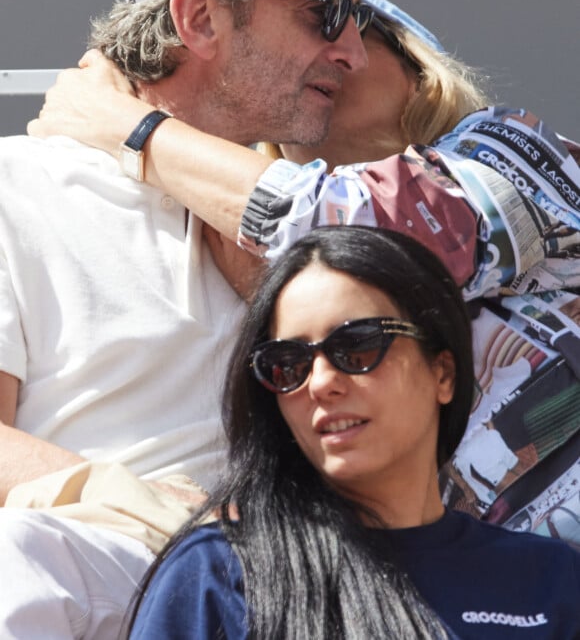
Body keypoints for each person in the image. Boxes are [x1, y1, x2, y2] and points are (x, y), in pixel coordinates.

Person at [0, 0, 431, 639]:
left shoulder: (320, 211)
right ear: (198, 17)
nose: (354, 52)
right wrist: (151, 509)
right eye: (324, 12)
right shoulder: (16, 185)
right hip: (102, 581)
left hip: (317, 593)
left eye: (361, 20)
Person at [31, 0, 580, 550]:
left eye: (349, 27)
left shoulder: (509, 147)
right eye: (310, 30)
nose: (331, 56)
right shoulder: (249, 242)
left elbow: (388, 230)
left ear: (419, 69)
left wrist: (131, 125)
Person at [128, 226, 580, 639]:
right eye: (290, 364)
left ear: (443, 373)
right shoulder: (219, 575)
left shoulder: (551, 580)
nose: (321, 383)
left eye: (358, 345)